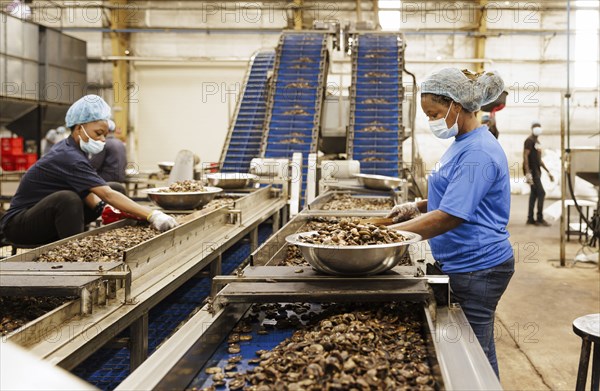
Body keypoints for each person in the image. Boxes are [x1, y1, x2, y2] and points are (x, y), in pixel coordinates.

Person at [387, 68, 513, 377]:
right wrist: (416, 207)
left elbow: (451, 215)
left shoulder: (478, 152)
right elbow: (454, 195)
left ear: (456, 105)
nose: (432, 121)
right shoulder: (463, 140)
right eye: (428, 115)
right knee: (477, 348)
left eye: (435, 113)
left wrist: (385, 237)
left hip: (478, 266)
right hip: (464, 261)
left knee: (474, 355)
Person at [0, 95, 177, 245]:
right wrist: (152, 215)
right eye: (98, 133)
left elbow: (89, 191)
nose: (102, 139)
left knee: (115, 187)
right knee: (68, 199)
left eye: (104, 135)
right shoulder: (68, 156)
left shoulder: (77, 150)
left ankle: (116, 236)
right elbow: (107, 195)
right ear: (79, 128)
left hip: (45, 218)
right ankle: (75, 255)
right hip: (18, 226)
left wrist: (104, 208)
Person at [523, 121, 554, 226]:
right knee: (541, 193)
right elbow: (525, 156)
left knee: (534, 194)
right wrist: (527, 172)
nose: (537, 129)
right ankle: (539, 218)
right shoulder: (529, 141)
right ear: (532, 129)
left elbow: (539, 159)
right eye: (535, 127)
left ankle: (530, 219)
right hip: (532, 171)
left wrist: (548, 172)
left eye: (539, 127)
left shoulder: (537, 142)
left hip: (537, 171)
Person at [90, 119, 127, 194]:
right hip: (120, 178)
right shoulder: (120, 143)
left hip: (106, 179)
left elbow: (94, 165)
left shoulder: (103, 143)